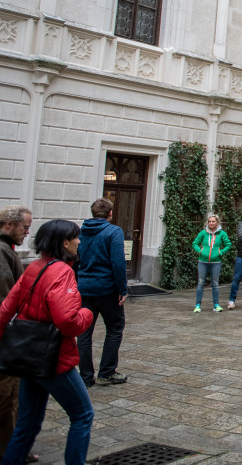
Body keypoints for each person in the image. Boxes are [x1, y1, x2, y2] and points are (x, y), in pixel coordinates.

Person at [0, 219, 94, 465]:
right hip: (53, 358)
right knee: (83, 414)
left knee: (26, 424)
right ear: (65, 242)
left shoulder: (35, 267)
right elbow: (67, 321)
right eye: (76, 237)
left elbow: (6, 309)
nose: (79, 241)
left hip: (26, 355)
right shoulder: (62, 272)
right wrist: (88, 314)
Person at [76, 198, 129, 388]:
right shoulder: (113, 231)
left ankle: (85, 376)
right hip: (107, 289)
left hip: (84, 288)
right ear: (110, 213)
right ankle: (106, 372)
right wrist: (122, 288)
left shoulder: (81, 233)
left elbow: (75, 259)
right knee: (114, 328)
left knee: (83, 333)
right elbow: (118, 262)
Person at [0, 205, 31, 457]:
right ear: (8, 225)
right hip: (6, 337)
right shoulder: (2, 252)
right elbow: (7, 296)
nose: (27, 233)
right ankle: (10, 451)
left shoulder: (7, 250)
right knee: (8, 396)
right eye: (24, 227)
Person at [192, 215, 231, 313]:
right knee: (201, 283)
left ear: (217, 223)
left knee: (215, 283)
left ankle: (216, 305)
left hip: (216, 262)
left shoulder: (222, 234)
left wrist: (220, 252)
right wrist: (200, 251)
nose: (211, 223)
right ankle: (197, 305)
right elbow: (195, 243)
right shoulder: (203, 233)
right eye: (209, 221)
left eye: (213, 221)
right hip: (202, 262)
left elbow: (228, 244)